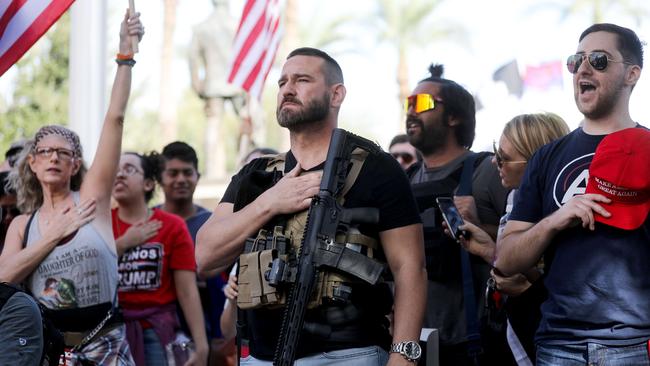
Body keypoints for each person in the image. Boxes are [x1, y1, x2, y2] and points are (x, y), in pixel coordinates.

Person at [196, 47, 426, 365]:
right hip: (261, 357)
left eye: (302, 79)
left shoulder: (377, 168)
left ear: (336, 94)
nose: (288, 89)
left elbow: (410, 267)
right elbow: (205, 255)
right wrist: (271, 201)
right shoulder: (256, 175)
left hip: (349, 354)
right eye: (282, 83)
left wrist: (403, 355)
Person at [495, 24, 650, 365]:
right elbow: (505, 261)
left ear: (632, 74)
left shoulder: (649, 149)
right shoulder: (547, 157)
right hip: (558, 346)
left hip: (635, 347)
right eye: (576, 60)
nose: (583, 68)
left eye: (598, 59)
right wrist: (555, 220)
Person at [0, 11, 143, 365]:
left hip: (105, 345)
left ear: (75, 165)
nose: (54, 158)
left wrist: (125, 56)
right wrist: (54, 234)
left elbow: (115, 118)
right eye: (45, 152)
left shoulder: (91, 202)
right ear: (32, 163)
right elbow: (4, 277)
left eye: (64, 153)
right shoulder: (23, 225)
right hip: (48, 348)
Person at [404, 64, 511, 365]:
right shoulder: (408, 179)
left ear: (454, 117)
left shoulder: (488, 171)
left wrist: (479, 226)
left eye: (423, 103)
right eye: (408, 104)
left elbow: (530, 247)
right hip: (416, 341)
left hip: (475, 345)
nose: (411, 112)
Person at [446, 113, 570, 365]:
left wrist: (527, 290)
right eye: (495, 151)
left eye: (504, 157)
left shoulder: (563, 214)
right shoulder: (515, 204)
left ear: (536, 162)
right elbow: (513, 268)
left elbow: (555, 289)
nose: (494, 161)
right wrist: (488, 250)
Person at [112, 151, 209, 366]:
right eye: (115, 170)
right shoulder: (101, 225)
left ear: (148, 183)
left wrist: (202, 345)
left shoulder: (172, 226)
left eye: (128, 169)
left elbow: (187, 291)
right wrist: (123, 244)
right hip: (109, 333)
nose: (119, 175)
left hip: (155, 334)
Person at [157, 141, 235, 366]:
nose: (180, 179)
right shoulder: (148, 222)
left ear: (197, 176)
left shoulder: (214, 223)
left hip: (211, 332)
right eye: (173, 173)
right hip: (159, 330)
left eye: (187, 173)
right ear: (161, 177)